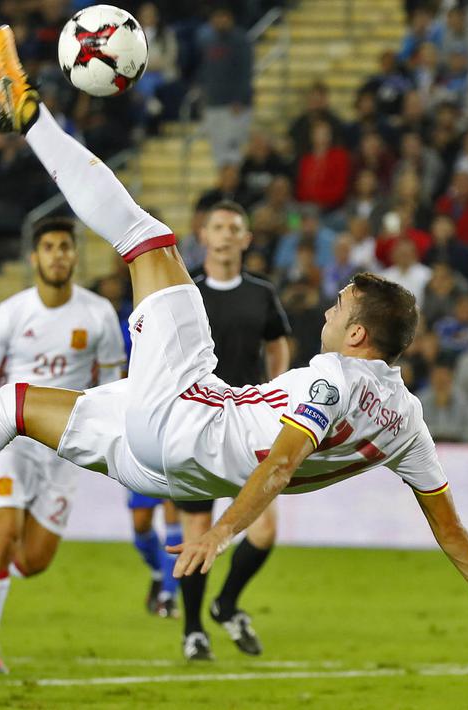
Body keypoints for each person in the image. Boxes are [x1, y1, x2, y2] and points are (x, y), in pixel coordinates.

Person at [0, 27, 468, 668]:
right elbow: (448, 527)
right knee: (16, 406)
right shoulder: (405, 419)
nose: (330, 302)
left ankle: (29, 117)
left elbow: (281, 462)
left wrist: (218, 528)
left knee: (146, 237)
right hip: (159, 460)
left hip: (184, 418)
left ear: (357, 333)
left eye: (342, 302)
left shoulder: (335, 380)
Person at [0, 216, 126, 673]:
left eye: (65, 247)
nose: (58, 255)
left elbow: (113, 385)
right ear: (35, 258)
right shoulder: (11, 313)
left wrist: (102, 435)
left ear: (75, 255)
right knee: (4, 537)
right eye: (49, 247)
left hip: (66, 449)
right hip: (12, 443)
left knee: (33, 560)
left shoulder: (98, 315)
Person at [176, 199, 291, 661]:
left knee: (263, 530)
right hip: (195, 425)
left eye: (234, 227)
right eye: (217, 226)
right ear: (203, 236)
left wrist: (277, 387)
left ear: (246, 239)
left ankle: (225, 605)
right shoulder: (186, 293)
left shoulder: (261, 294)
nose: (225, 235)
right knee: (196, 529)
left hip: (248, 426)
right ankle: (192, 630)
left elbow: (278, 341)